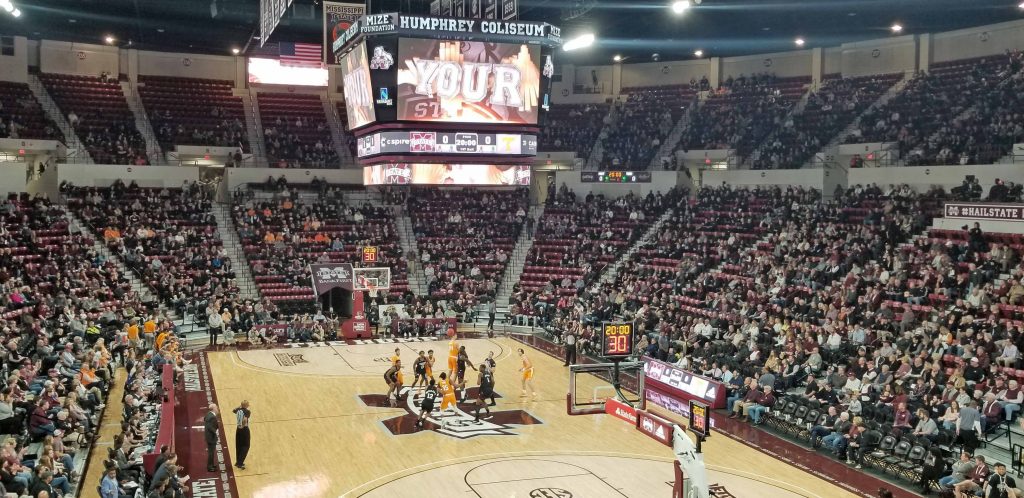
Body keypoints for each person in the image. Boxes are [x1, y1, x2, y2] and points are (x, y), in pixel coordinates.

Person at [233, 400, 251, 470]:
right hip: (244, 429)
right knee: (246, 445)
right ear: (246, 405)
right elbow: (245, 420)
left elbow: (233, 410)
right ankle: (240, 463)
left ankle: (238, 461)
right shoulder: (247, 411)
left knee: (239, 445)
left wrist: (240, 406)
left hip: (238, 429)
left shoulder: (238, 410)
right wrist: (243, 426)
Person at [204, 403, 219, 472]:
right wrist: (215, 431)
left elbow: (205, 419)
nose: (217, 408)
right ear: (213, 409)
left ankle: (211, 464)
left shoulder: (208, 414)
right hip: (211, 437)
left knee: (211, 452)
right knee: (211, 453)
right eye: (216, 407)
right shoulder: (212, 416)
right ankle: (209, 467)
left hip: (209, 436)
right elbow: (209, 426)